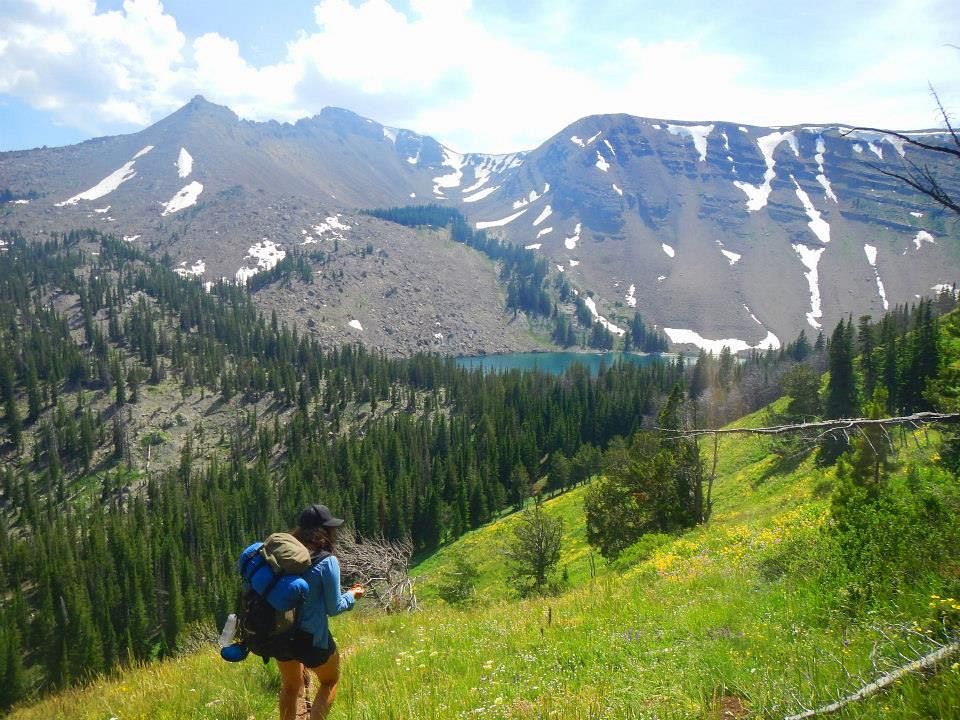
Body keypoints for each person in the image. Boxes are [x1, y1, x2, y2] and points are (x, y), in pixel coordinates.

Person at [275, 504, 364, 720]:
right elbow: (334, 608)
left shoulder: (282, 554)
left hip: (280, 634)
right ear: (324, 531)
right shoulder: (327, 561)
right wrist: (353, 595)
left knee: (290, 687)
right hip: (312, 640)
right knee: (329, 680)